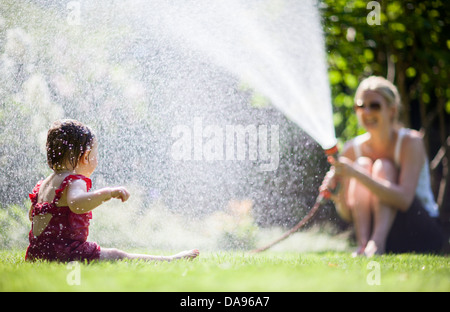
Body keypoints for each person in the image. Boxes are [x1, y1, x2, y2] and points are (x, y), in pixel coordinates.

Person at [26, 119, 199, 262]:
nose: (97, 159)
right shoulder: (74, 181)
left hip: (38, 254)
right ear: (85, 157)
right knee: (117, 255)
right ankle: (169, 260)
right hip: (66, 253)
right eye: (96, 154)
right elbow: (77, 204)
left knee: (113, 255)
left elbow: (32, 216)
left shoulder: (44, 184)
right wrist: (107, 193)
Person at [320, 76, 443, 257]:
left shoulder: (411, 142)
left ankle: (377, 244)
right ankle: (364, 246)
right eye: (361, 106)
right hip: (374, 232)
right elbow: (347, 214)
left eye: (375, 106)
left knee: (383, 167)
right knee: (363, 163)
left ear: (392, 110)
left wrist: (355, 173)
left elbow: (404, 200)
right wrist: (338, 194)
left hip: (418, 228)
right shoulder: (351, 150)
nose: (367, 112)